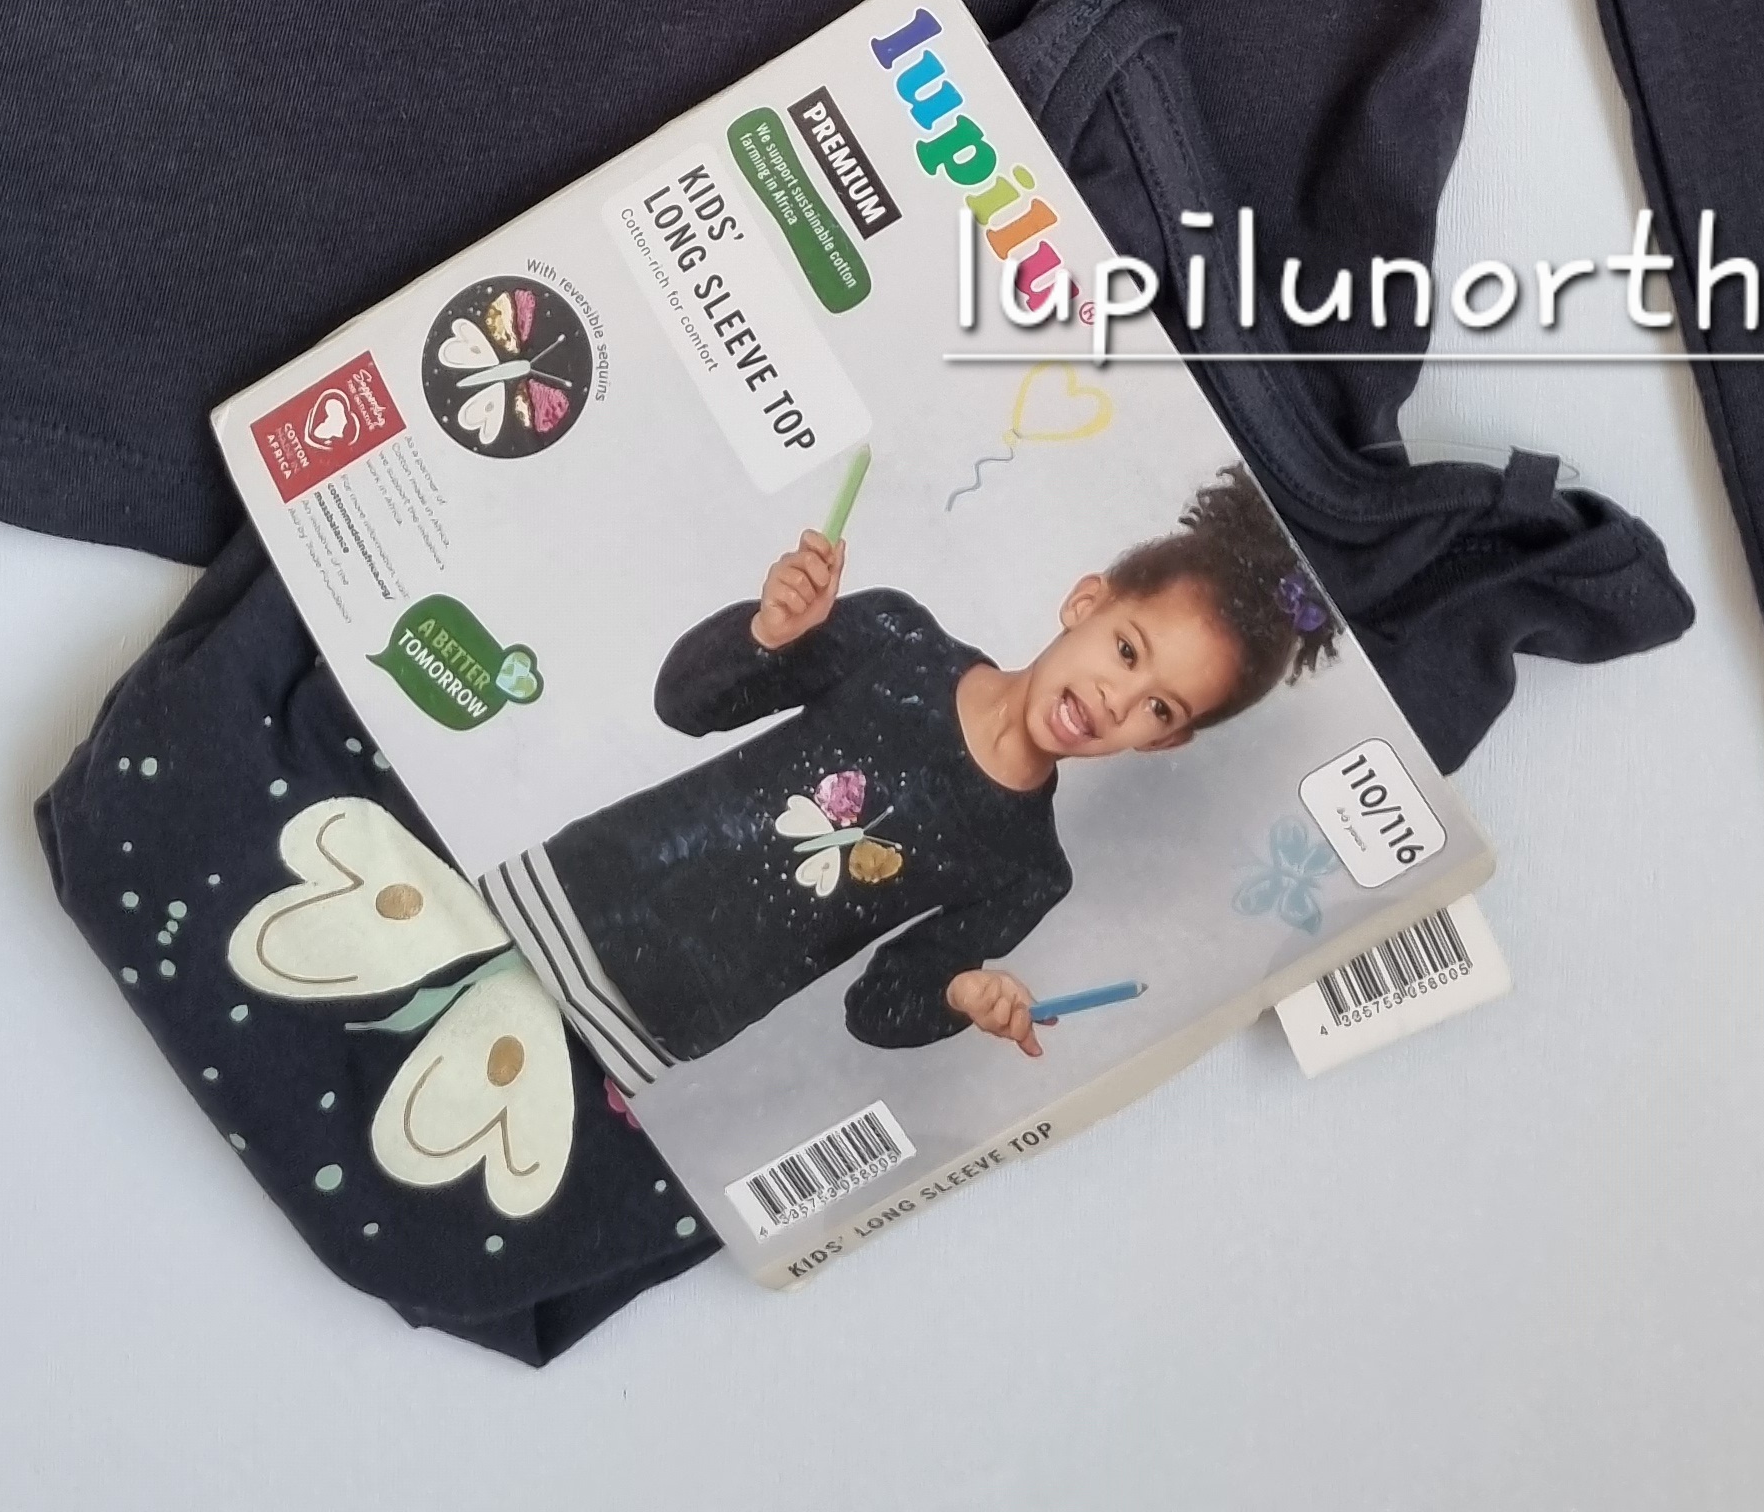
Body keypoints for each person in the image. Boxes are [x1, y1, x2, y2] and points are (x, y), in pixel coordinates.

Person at [486, 465, 1337, 1086]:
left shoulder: (1029, 870)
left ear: (1165, 742)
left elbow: (878, 1007)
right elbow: (685, 702)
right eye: (1126, 649)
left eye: (1158, 707)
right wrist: (769, 631)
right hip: (572, 890)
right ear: (1087, 602)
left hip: (657, 1024)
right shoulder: (896, 638)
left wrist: (960, 995)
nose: (1119, 698)